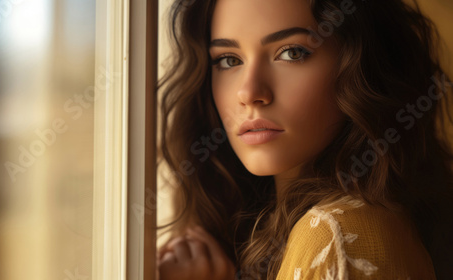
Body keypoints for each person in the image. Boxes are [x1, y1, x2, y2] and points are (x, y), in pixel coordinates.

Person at [156, 0, 453, 279]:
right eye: (229, 59)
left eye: (292, 53)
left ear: (362, 66)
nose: (248, 93)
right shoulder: (378, 217)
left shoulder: (333, 234)